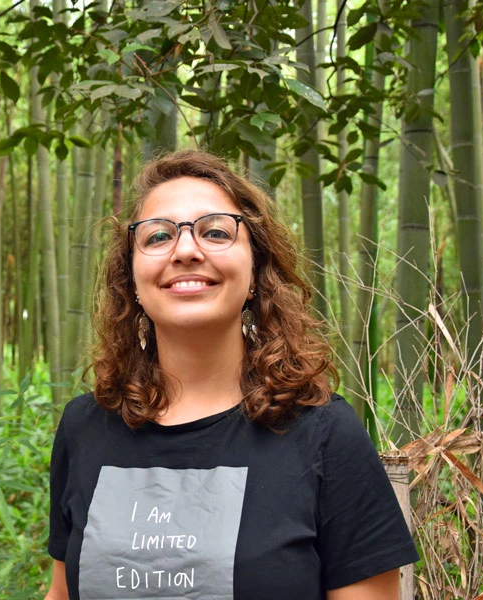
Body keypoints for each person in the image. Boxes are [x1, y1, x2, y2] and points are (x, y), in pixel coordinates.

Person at [44, 150, 418, 600]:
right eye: (159, 235)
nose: (185, 250)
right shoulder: (85, 428)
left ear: (256, 270)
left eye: (215, 231)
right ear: (132, 281)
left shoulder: (324, 435)